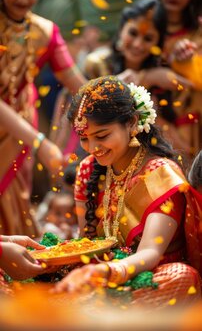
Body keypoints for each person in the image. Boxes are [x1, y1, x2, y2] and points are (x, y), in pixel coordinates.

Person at [53, 76, 202, 308]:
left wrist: (108, 272)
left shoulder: (160, 174)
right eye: (84, 139)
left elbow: (151, 252)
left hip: (148, 275)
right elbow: (87, 242)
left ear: (132, 123)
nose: (93, 148)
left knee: (181, 276)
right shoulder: (88, 170)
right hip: (101, 274)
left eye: (102, 136)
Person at [0, 0, 86, 236]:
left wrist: (120, 97)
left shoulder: (44, 32)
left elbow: (78, 84)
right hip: (25, 133)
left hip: (17, 134)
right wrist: (40, 143)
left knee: (14, 205)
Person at [84, 0, 194, 155]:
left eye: (148, 38)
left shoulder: (164, 80)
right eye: (133, 33)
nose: (137, 44)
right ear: (122, 28)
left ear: (158, 43)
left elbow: (185, 150)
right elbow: (81, 120)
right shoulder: (97, 65)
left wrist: (149, 113)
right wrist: (136, 81)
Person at [152, 0, 202, 156]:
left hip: (191, 125)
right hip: (150, 119)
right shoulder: (144, 26)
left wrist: (186, 62)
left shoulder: (198, 32)